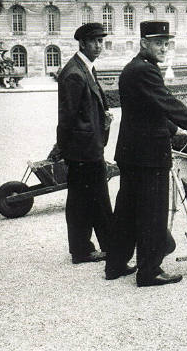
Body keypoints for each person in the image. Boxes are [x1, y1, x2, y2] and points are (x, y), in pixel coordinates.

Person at [106, 20, 187, 287]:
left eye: (166, 43)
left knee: (127, 211)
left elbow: (151, 109)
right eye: (158, 42)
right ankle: (149, 271)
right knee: (152, 213)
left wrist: (176, 131)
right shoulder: (145, 71)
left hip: (132, 152)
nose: (164, 47)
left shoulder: (135, 68)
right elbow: (168, 103)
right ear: (144, 43)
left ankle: (115, 264)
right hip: (148, 156)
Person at [56, 22, 114, 265]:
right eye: (94, 41)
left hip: (88, 147)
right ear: (82, 43)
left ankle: (95, 248)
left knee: (92, 200)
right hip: (83, 150)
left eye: (101, 41)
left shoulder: (85, 68)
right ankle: (87, 250)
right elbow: (67, 117)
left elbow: (86, 108)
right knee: (88, 201)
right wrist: (65, 150)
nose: (99, 46)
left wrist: (104, 117)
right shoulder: (74, 73)